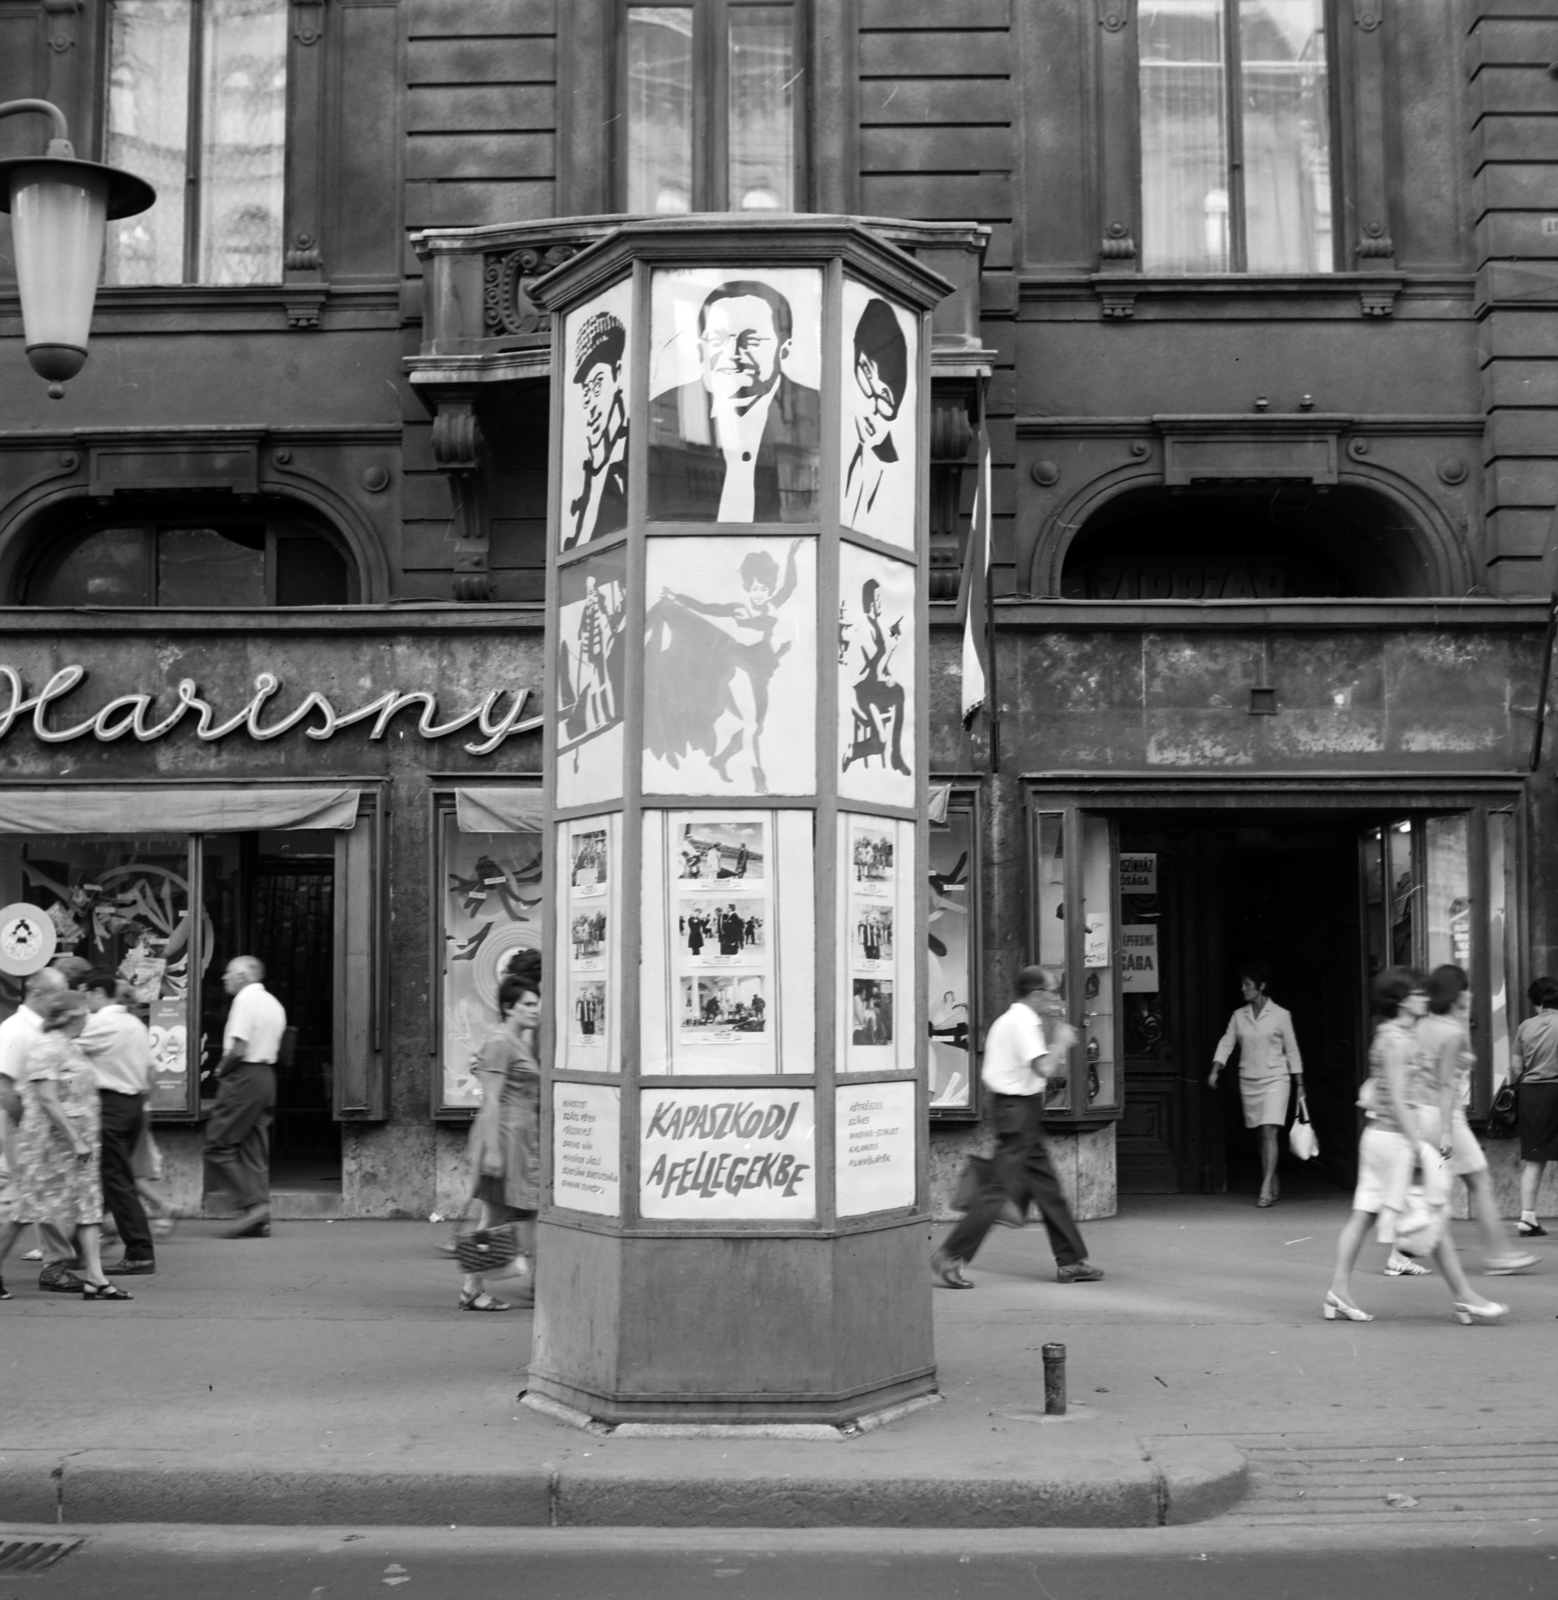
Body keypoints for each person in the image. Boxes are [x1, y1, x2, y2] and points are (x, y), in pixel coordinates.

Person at [1323, 967, 1508, 1325]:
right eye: (1417, 992)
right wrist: (1420, 1146)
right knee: (1431, 1215)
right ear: (1400, 1001)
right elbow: (1395, 1095)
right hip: (1394, 1140)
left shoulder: (1392, 1035)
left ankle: (1338, 1292)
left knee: (1366, 1216)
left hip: (1381, 1138)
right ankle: (1465, 1297)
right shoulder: (1398, 1041)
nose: (1425, 996)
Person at [931, 966, 1105, 1288]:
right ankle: (949, 1255)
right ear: (1036, 993)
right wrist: (1061, 1041)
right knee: (997, 1191)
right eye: (1052, 991)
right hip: (1018, 1110)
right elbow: (1043, 1068)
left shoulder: (1013, 1019)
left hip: (1017, 1109)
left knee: (1048, 1189)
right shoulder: (1023, 1022)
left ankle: (1069, 1262)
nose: (1056, 997)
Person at [648, 279, 820, 523]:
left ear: (784, 350)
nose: (735, 353)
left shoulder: (824, 410)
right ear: (700, 351)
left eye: (752, 341)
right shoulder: (656, 409)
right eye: (718, 340)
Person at [4, 990, 131, 1300]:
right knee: (23, 1213)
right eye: (84, 1013)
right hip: (49, 1149)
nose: (88, 1018)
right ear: (71, 1017)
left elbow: (72, 1093)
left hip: (79, 1149)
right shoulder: (46, 1048)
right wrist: (75, 1138)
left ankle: (96, 1279)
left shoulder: (70, 1048)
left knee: (88, 1209)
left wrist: (82, 1140)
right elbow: (47, 1099)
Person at [1408, 965, 1534, 1275]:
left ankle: (1404, 1243)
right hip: (1443, 1116)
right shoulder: (1452, 1032)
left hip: (1420, 1113)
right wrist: (1449, 1132)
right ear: (1456, 994)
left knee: (1427, 1183)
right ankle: (1499, 1255)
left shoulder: (1422, 1026)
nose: (1470, 994)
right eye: (1466, 989)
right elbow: (1447, 1085)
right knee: (1479, 1181)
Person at [460, 975, 541, 1312]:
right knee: (494, 1214)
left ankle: (474, 1288)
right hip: (503, 1137)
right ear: (509, 1008)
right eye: (528, 1004)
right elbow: (490, 1100)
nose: (535, 1010)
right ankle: (473, 1288)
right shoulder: (500, 1042)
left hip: (520, 1138)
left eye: (536, 1004)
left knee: (505, 1212)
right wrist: (492, 1150)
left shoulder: (518, 1039)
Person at [0, 966, 84, 1291]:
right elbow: (4, 1088)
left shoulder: (44, 1030)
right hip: (18, 1130)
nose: (63, 1000)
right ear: (38, 994)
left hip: (37, 1131)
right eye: (58, 993)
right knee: (16, 1207)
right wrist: (26, 1130)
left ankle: (55, 1265)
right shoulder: (15, 1030)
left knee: (39, 1201)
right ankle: (55, 1265)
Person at [76, 968, 157, 1276]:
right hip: (134, 1104)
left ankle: (139, 1252)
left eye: (86, 993)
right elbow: (150, 1068)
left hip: (110, 1105)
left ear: (98, 993)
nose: (84, 1001)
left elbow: (69, 1051)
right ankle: (81, 1245)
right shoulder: (134, 1023)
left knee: (115, 1180)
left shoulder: (99, 1022)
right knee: (114, 1178)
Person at [203, 956, 286, 1240]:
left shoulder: (244, 1001)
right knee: (253, 1149)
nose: (224, 978)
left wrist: (220, 1070)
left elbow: (239, 1048)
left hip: (244, 1075)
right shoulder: (273, 1003)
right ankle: (259, 1218)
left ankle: (253, 1207)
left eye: (228, 973)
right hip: (265, 1077)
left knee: (217, 1145)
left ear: (243, 975)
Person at [1208, 961, 1303, 1207]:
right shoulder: (1239, 1016)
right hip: (1249, 1079)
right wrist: (1215, 1070)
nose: (1243, 988)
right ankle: (1273, 1178)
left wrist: (1300, 1083)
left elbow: (1292, 1051)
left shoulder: (1281, 1015)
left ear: (1260, 986)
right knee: (1261, 1134)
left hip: (1276, 1079)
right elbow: (1226, 1043)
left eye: (1247, 984)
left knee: (1270, 1130)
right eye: (1242, 984)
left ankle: (1265, 1185)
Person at [843, 296, 909, 533]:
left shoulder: (894, 481)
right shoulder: (840, 458)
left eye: (884, 400)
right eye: (865, 381)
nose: (871, 408)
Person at [565, 310, 629, 549]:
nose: (590, 401)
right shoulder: (587, 473)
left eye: (598, 383)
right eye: (585, 389)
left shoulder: (631, 458)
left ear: (618, 375)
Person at [1511, 974, 1558, 1239]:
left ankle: (1527, 1218)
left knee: (1534, 1158)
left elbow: (1516, 1067)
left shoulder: (1525, 1027)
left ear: (1535, 1001)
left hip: (1531, 1094)